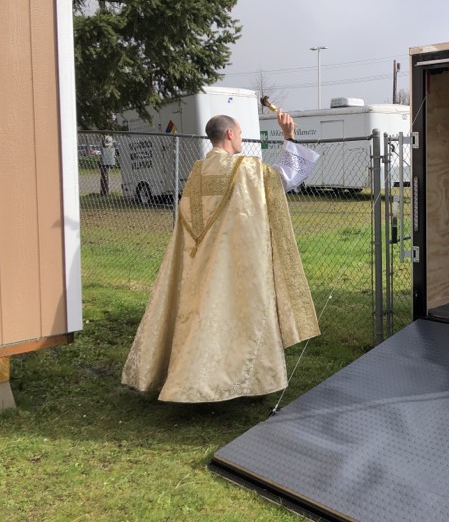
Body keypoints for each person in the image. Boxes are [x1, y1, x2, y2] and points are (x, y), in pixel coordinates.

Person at [122, 112, 320, 403]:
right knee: (238, 319)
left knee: (203, 319)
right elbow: (283, 178)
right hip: (236, 263)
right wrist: (288, 137)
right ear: (229, 134)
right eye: (239, 133)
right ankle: (240, 383)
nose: (241, 138)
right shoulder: (243, 168)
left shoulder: (198, 172)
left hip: (198, 264)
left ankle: (191, 380)